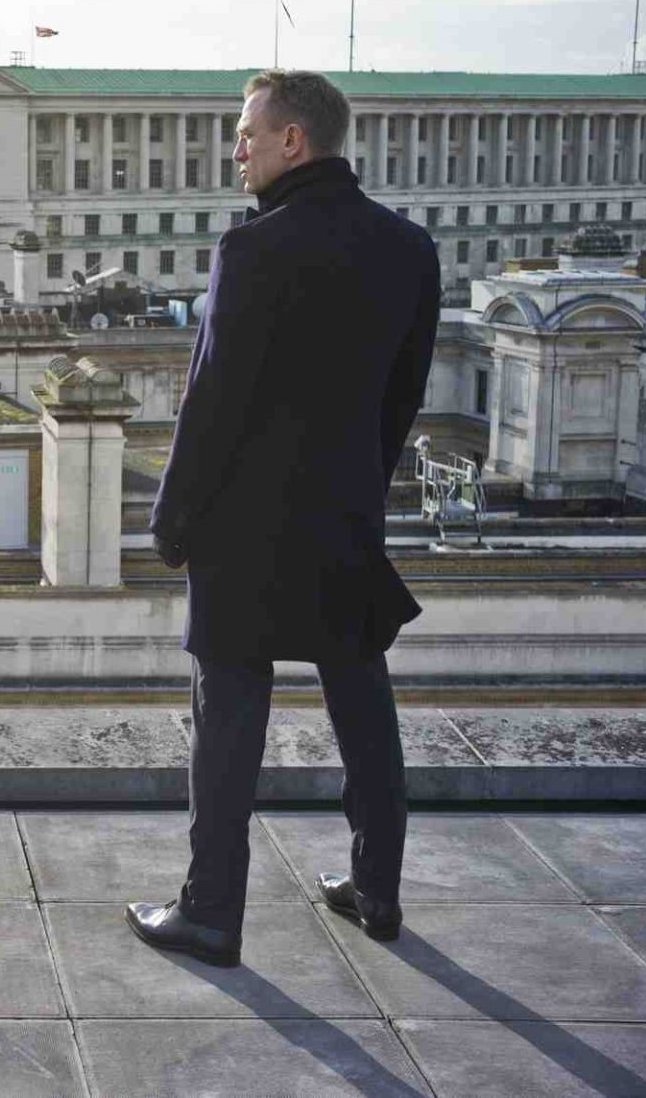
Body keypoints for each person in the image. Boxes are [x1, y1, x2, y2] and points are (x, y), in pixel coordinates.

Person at [127, 69, 441, 967]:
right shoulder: (410, 248)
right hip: (342, 515)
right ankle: (377, 888)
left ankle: (211, 910)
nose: (237, 148)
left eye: (246, 132)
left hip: (242, 528)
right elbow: (402, 397)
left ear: (293, 141)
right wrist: (357, 486)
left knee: (228, 718)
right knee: (362, 700)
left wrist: (172, 517)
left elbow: (211, 402)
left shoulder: (251, 250)